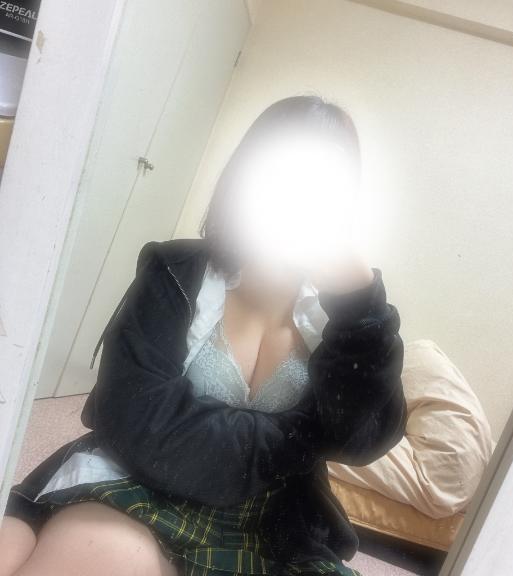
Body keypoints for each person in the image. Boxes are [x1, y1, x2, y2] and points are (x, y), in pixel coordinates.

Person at [0, 95, 406, 576]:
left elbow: (361, 440)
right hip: (141, 477)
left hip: (273, 520)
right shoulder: (176, 270)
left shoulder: (344, 313)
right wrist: (302, 440)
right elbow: (135, 414)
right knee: (103, 553)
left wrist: (361, 309)